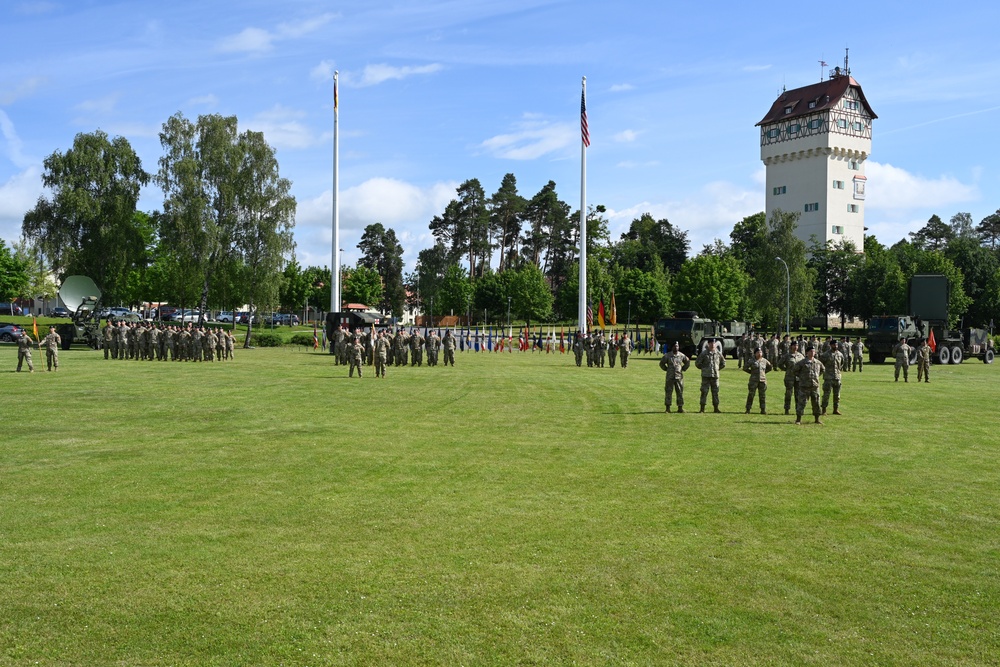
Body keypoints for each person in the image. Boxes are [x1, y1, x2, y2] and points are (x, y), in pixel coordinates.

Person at [792, 344, 824, 425]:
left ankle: (817, 419)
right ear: (807, 353)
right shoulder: (802, 362)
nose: (812, 352)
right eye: (811, 351)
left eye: (813, 351)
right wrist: (802, 377)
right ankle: (798, 419)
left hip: (815, 386)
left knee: (816, 403)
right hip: (804, 386)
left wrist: (816, 377)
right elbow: (795, 370)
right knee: (801, 403)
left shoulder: (817, 362)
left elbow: (822, 370)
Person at [695, 338, 726, 413]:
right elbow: (697, 363)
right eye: (711, 343)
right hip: (706, 376)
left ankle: (716, 408)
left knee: (715, 392)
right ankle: (702, 408)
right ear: (708, 344)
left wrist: (717, 369)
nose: (713, 344)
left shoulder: (718, 353)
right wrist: (704, 369)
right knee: (704, 392)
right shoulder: (704, 353)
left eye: (714, 343)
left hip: (715, 376)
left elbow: (723, 363)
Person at [659, 341, 690, 413]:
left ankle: (680, 407)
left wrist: (683, 368)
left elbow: (687, 362)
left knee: (680, 392)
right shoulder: (667, 355)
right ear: (672, 347)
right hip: (670, 377)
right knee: (668, 392)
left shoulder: (681, 355)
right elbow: (661, 363)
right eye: (675, 346)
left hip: (679, 377)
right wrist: (666, 369)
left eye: (677, 346)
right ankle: (667, 408)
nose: (676, 347)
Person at [819, 339, 846, 415]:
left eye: (836, 345)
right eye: (834, 345)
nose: (836, 346)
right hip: (828, 377)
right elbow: (820, 364)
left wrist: (838, 372)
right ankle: (824, 409)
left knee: (837, 395)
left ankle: (835, 409)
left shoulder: (840, 354)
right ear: (830, 345)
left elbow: (841, 364)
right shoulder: (825, 355)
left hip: (837, 377)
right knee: (826, 395)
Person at [778, 339, 804, 416]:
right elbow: (780, 364)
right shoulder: (787, 356)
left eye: (796, 345)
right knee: (788, 394)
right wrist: (786, 369)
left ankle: (797, 409)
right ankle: (787, 409)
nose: (795, 347)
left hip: (798, 378)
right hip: (789, 377)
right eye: (794, 345)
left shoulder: (800, 356)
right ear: (791, 346)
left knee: (798, 394)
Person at [743, 347, 772, 414]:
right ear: (755, 353)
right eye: (758, 352)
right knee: (751, 395)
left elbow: (770, 367)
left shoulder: (764, 361)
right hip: (753, 381)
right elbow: (745, 368)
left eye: (761, 352)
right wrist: (751, 372)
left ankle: (763, 409)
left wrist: (764, 373)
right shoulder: (751, 360)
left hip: (762, 380)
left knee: (762, 396)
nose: (759, 353)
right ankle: (748, 409)